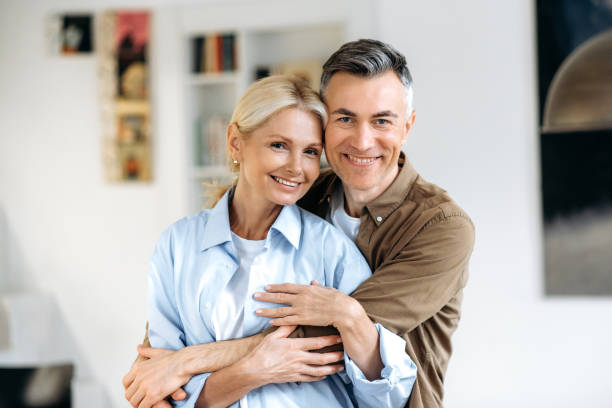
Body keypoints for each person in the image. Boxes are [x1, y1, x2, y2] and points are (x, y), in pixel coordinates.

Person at [123, 39, 475, 408]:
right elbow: (162, 344)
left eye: (382, 120)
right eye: (344, 118)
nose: (362, 140)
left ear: (407, 126)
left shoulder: (441, 227)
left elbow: (327, 336)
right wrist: (154, 369)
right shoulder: (296, 193)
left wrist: (186, 361)